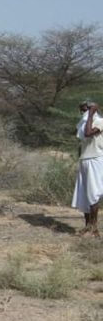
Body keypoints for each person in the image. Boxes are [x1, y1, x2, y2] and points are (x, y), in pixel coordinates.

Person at [72, 101, 103, 236]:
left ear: (92, 109)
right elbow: (82, 135)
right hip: (84, 160)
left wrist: (91, 114)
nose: (82, 113)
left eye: (85, 109)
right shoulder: (84, 123)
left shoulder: (100, 122)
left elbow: (88, 133)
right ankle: (87, 226)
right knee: (84, 194)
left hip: (96, 160)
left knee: (93, 193)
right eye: (82, 110)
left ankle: (94, 228)